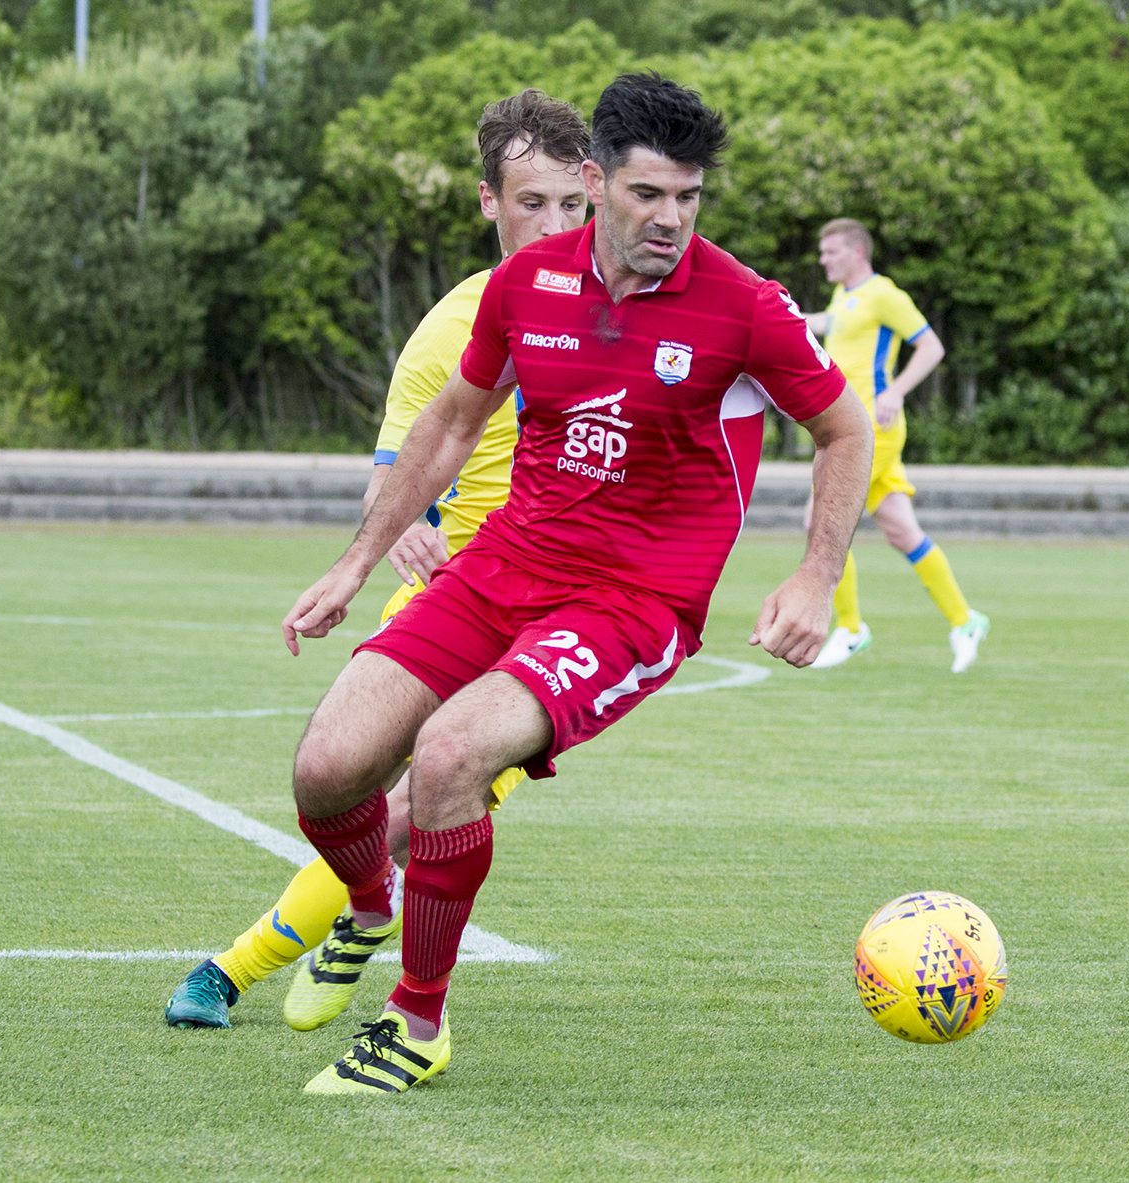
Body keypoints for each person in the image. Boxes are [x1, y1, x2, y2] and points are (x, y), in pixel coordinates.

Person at [278, 72, 873, 1094]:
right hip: (504, 564)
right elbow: (454, 424)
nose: (672, 219)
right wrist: (358, 557)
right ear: (598, 184)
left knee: (452, 754)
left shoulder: (743, 306)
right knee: (326, 770)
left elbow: (844, 428)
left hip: (632, 603)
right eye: (650, 195)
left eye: (689, 197)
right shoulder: (528, 285)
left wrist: (817, 576)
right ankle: (370, 903)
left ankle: (416, 1023)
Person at [164, 88, 591, 1031]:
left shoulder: (631, 314)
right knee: (340, 780)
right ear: (489, 203)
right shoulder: (454, 329)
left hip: (557, 627)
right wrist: (400, 528)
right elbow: (396, 472)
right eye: (532, 203)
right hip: (457, 596)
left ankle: (232, 967)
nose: (556, 225)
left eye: (573, 205)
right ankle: (360, 913)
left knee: (408, 811)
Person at [801, 217, 989, 673]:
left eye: (831, 252)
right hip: (852, 427)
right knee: (904, 533)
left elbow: (931, 347)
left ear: (857, 253)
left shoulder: (885, 294)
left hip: (871, 430)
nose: (823, 259)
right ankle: (966, 621)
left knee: (819, 518)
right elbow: (834, 321)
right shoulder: (846, 296)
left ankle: (849, 628)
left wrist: (896, 390)